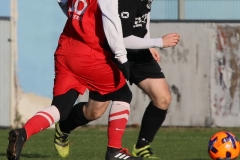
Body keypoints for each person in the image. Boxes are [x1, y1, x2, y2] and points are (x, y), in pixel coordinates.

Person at [5, 0, 144, 159]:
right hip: (89, 54)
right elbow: (111, 21)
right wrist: (121, 57)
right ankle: (114, 151)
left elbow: (62, 1)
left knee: (60, 109)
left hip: (65, 52)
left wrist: (77, 21)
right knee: (123, 95)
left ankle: (22, 134)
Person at [54, 0, 180, 159]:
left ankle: (142, 146)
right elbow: (122, 38)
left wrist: (147, 44)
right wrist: (159, 42)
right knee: (94, 112)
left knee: (163, 98)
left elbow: (143, 18)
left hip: (139, 52)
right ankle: (64, 127)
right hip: (114, 53)